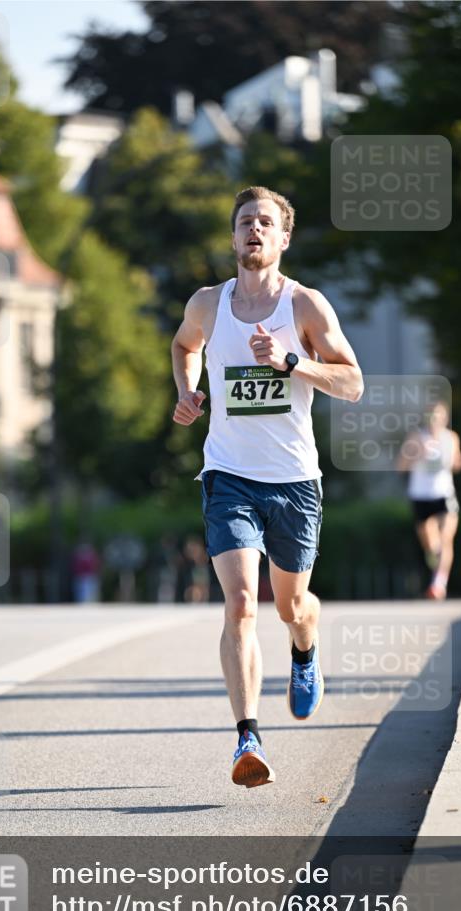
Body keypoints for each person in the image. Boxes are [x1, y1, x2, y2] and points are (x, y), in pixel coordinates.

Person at [171, 185, 363, 789]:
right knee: (240, 604)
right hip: (228, 476)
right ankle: (247, 736)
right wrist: (186, 390)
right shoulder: (208, 303)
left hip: (294, 483)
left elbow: (353, 382)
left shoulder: (305, 306)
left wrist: (291, 363)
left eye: (266, 223)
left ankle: (304, 652)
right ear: (232, 238)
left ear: (283, 239)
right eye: (245, 222)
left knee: (290, 607)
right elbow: (184, 346)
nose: (254, 230)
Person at [397, 400, 461, 599]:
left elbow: (458, 463)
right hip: (420, 495)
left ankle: (439, 583)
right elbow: (400, 466)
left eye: (439, 416)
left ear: (445, 418)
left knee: (446, 538)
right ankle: (435, 561)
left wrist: (456, 461)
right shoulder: (416, 438)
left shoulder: (451, 438)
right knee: (431, 543)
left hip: (444, 494)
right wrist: (415, 454)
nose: (435, 419)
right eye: (432, 416)